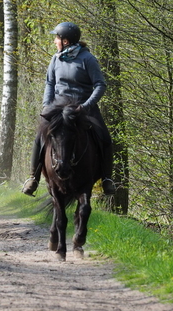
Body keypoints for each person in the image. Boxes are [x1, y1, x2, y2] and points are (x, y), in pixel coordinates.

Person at [22, 21, 116, 196]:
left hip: (83, 107)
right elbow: (50, 83)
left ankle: (107, 179)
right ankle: (33, 178)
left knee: (105, 137)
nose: (54, 41)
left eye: (57, 38)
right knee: (39, 136)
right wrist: (47, 105)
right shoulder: (55, 58)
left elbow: (100, 85)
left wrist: (86, 106)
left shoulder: (88, 59)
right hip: (58, 108)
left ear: (65, 41)